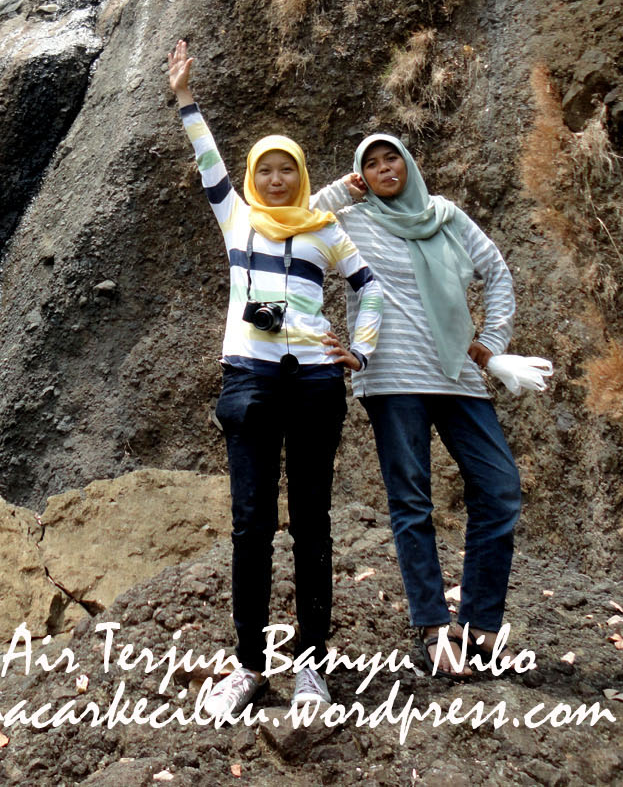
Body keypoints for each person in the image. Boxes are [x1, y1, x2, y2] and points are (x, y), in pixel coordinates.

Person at [167, 40, 383, 717]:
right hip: (249, 381)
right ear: (254, 176)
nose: (278, 179)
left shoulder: (325, 230)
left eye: (288, 169)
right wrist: (185, 97)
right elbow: (208, 160)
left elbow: (370, 288)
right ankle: (250, 665)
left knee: (312, 523)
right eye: (267, 169)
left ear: (301, 174)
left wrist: (359, 350)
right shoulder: (237, 219)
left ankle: (312, 666)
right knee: (251, 525)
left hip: (316, 383)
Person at [313, 133, 521, 677]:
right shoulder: (352, 221)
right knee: (412, 501)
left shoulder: (445, 216)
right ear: (362, 174)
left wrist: (492, 341)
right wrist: (341, 191)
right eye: (372, 164)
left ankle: (480, 625)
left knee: (500, 489)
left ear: (408, 164)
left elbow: (497, 273)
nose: (385, 169)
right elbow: (295, 219)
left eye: (392, 159)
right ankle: (432, 627)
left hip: (457, 374)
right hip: (392, 378)